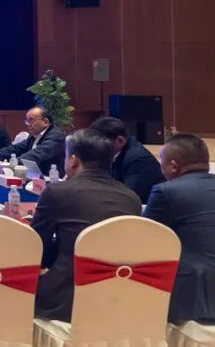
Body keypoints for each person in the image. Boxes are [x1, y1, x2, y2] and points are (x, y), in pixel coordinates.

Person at [30, 129, 141, 322]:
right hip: (117, 296)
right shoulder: (132, 198)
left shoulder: (58, 192)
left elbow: (35, 245)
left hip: (66, 299)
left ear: (73, 160)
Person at [143, 134, 215, 324]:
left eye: (162, 164)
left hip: (195, 305)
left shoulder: (166, 191)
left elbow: (144, 242)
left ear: (173, 166)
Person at [89, 116, 164, 202]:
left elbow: (128, 197)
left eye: (100, 143)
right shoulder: (113, 153)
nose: (96, 148)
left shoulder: (138, 159)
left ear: (120, 140)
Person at [0, 107, 67, 176]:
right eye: (27, 121)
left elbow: (35, 155)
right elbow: (16, 148)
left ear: (45, 122)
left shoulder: (56, 137)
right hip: (34, 177)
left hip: (51, 180)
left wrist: (11, 163)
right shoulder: (35, 135)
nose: (28, 124)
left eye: (31, 120)